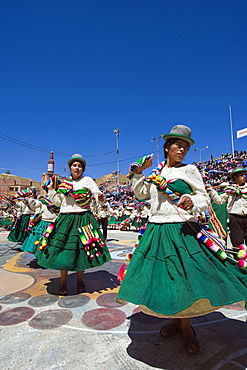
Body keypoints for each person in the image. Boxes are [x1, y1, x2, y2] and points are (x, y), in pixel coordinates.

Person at [116, 125, 247, 355]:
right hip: (156, 229)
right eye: (178, 145)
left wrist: (189, 200)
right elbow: (141, 194)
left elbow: (204, 199)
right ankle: (176, 321)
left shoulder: (189, 170)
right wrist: (137, 174)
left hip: (181, 230)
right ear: (167, 147)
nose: (182, 150)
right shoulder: (157, 173)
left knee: (184, 279)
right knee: (165, 280)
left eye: (186, 147)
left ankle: (187, 327)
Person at [35, 154, 111, 296]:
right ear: (70, 168)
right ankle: (63, 282)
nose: (77, 167)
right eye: (74, 165)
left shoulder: (87, 181)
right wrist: (51, 190)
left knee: (81, 250)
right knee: (63, 250)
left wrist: (100, 198)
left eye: (80, 166)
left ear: (83, 169)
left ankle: (79, 280)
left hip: (84, 218)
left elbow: (96, 193)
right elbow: (58, 202)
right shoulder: (63, 184)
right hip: (66, 218)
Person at [206, 168, 247, 248]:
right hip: (235, 218)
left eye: (244, 175)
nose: (244, 177)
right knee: (237, 241)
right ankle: (239, 259)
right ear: (235, 177)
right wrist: (211, 191)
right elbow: (219, 200)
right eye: (241, 175)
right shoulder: (230, 190)